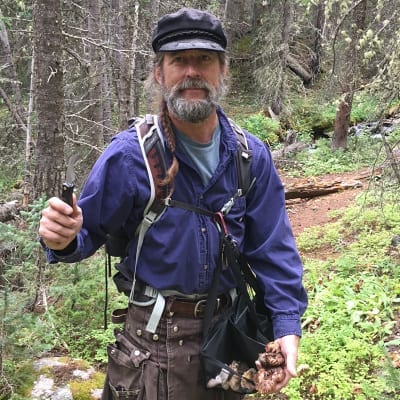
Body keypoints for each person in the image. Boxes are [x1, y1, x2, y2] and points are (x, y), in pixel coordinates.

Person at [39, 7, 307, 400]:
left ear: (223, 71)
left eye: (204, 59)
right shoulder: (131, 156)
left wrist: (286, 326)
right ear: (159, 73)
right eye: (179, 60)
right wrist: (61, 237)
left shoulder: (250, 156)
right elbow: (83, 235)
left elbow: (274, 250)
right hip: (152, 348)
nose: (192, 72)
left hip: (229, 342)